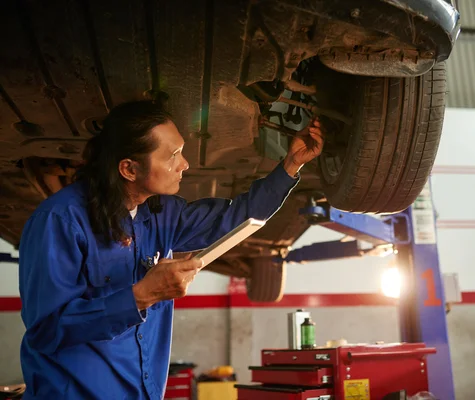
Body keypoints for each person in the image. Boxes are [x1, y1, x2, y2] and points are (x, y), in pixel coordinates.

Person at [18, 100, 324, 399]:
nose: (184, 164)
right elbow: (46, 330)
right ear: (129, 168)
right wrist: (141, 296)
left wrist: (291, 164)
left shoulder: (161, 214)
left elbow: (238, 217)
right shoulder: (59, 220)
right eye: (173, 155)